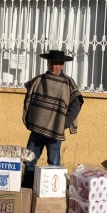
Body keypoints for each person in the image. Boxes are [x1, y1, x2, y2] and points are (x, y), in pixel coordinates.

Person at [21, 50, 84, 188]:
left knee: (54, 164)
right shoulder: (39, 80)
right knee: (29, 161)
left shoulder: (68, 83)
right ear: (47, 62)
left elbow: (76, 104)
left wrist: (64, 124)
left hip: (55, 132)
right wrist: (31, 117)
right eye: (51, 62)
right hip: (36, 130)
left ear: (62, 65)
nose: (53, 66)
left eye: (56, 63)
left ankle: (53, 193)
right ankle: (27, 191)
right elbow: (29, 99)